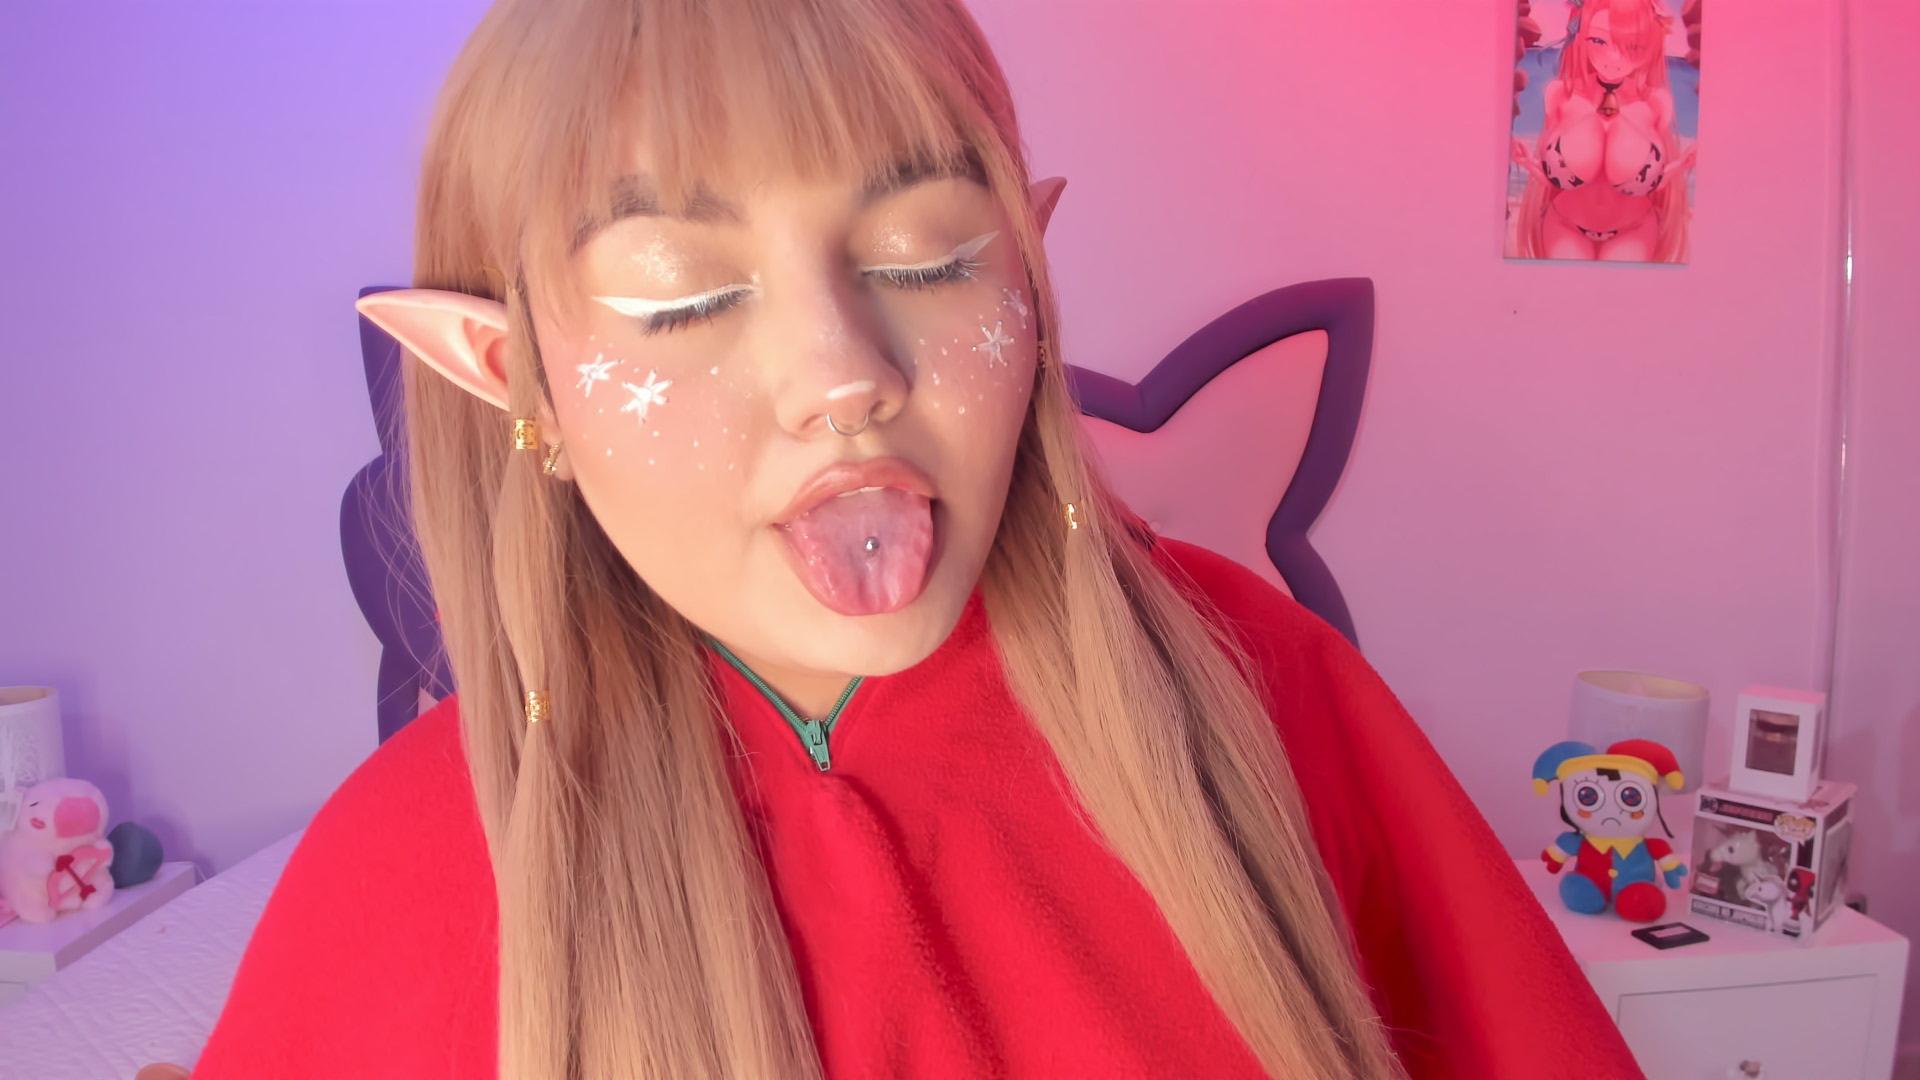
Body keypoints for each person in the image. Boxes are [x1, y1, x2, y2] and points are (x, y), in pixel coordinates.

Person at [189, 0, 1644, 1076]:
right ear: (516, 380)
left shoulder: (1262, 689)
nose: (844, 376)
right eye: (685, 295)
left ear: (1029, 272)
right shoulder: (400, 870)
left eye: (929, 257)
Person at [1510, 0, 1698, 262]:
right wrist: (1527, 163)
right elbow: (1550, 181)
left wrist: (1683, 165)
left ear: (1650, 46)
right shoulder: (1561, 94)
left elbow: (1656, 184)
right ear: (1581, 38)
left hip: (1635, 229)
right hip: (1564, 224)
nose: (1613, 58)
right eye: (1598, 41)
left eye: (1632, 45)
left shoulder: (1656, 102)